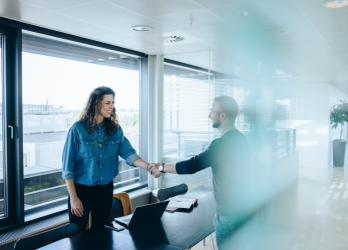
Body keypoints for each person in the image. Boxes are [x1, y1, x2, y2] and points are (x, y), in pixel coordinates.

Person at [150, 96, 251, 250]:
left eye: (212, 111)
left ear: (223, 115)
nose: (209, 115)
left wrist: (162, 168)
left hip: (229, 215)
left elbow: (192, 165)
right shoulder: (240, 139)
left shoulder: (222, 144)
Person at [62, 86, 155, 231]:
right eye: (108, 102)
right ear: (96, 103)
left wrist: (149, 166)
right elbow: (68, 168)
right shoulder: (77, 129)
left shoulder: (115, 130)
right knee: (77, 233)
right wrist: (73, 198)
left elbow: (129, 154)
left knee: (101, 232)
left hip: (105, 189)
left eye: (113, 102)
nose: (112, 106)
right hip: (81, 191)